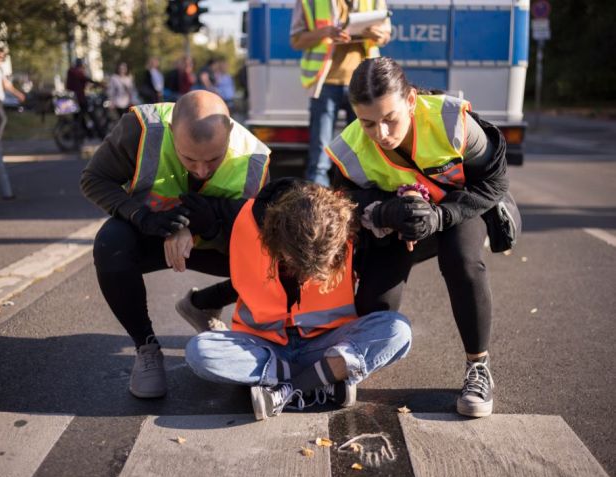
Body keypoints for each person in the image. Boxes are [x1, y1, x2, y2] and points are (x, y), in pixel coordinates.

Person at [325, 57, 510, 418]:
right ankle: (354, 362)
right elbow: (343, 202)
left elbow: (495, 182)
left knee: (461, 261)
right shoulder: (348, 147)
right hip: (397, 221)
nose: (380, 132)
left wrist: (442, 216)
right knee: (376, 298)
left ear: (410, 101)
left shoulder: (451, 121)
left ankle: (478, 367)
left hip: (457, 209)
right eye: (368, 123)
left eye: (389, 119)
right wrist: (386, 212)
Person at [80, 90, 271, 399]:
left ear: (230, 133)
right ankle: (146, 347)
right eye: (188, 158)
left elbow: (249, 240)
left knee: (271, 252)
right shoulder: (141, 130)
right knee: (110, 243)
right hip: (150, 232)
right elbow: (94, 180)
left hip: (213, 242)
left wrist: (205, 227)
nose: (201, 170)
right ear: (171, 132)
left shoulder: (255, 159)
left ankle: (205, 303)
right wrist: (141, 216)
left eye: (213, 158)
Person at [185, 178, 412, 421]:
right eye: (297, 265)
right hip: (263, 345)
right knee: (200, 351)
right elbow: (184, 204)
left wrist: (412, 214)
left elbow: (410, 201)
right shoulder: (244, 219)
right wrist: (181, 230)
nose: (306, 276)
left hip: (326, 342)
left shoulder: (345, 221)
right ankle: (323, 378)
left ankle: (289, 387)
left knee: (397, 331)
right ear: (275, 238)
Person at [290, 0, 390, 187]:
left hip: (364, 84)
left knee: (364, 153)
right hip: (325, 83)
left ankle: (361, 204)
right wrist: (325, 32)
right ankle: (317, 207)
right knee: (320, 158)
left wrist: (377, 35)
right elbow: (296, 40)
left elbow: (385, 36)